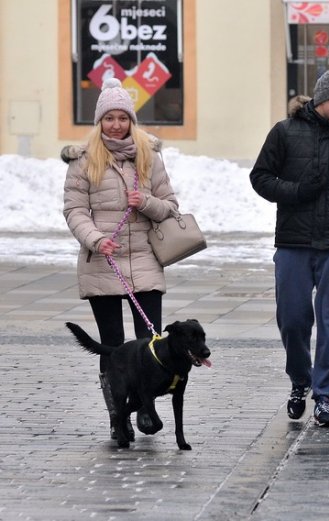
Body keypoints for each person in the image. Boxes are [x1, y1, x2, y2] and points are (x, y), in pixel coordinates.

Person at [249, 69, 329, 427]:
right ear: (323, 99)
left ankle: (325, 397)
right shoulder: (285, 132)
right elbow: (260, 178)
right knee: (292, 319)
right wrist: (297, 190)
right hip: (294, 242)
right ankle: (300, 380)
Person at [62, 77, 180, 441]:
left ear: (132, 120)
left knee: (149, 343)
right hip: (103, 262)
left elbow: (171, 207)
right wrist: (96, 239)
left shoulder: (149, 157)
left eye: (123, 118)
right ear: (100, 122)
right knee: (113, 345)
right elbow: (74, 210)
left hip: (145, 261)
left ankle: (145, 406)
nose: (116, 124)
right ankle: (118, 416)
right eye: (109, 118)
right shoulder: (83, 162)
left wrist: (144, 201)